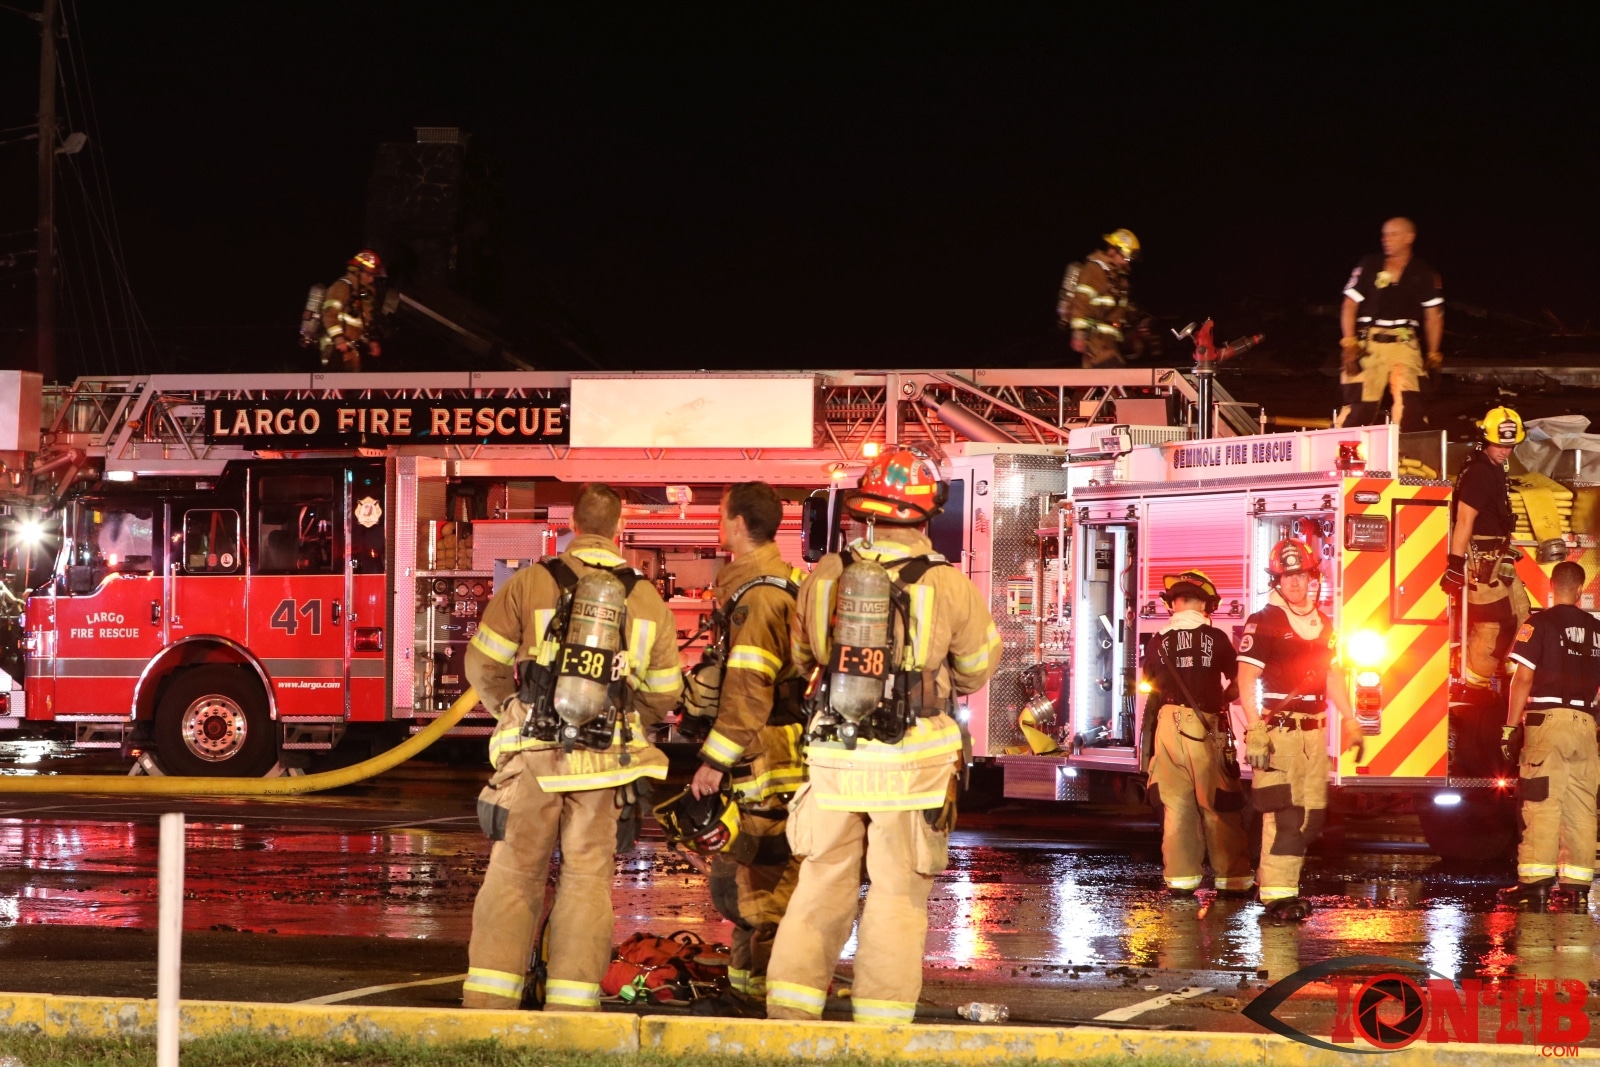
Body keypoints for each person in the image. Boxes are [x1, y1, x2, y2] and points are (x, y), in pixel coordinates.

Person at [765, 449, 1000, 1024]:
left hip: (834, 752)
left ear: (865, 510)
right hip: (912, 763)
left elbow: (802, 657)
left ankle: (790, 1016)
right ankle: (881, 1023)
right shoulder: (947, 583)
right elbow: (976, 669)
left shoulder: (825, 575)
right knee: (897, 891)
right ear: (928, 513)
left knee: (820, 883)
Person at [460, 483, 684, 1011]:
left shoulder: (531, 581)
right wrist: (628, 720)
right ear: (619, 528)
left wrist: (513, 708)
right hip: (606, 766)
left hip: (534, 756)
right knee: (586, 881)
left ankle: (488, 1004)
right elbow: (664, 690)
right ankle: (572, 1006)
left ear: (572, 524)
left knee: (514, 875)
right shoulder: (646, 598)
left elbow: (482, 662)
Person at [682, 482, 808, 1009]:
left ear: (737, 524)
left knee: (764, 875)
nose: (718, 525)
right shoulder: (776, 584)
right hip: (771, 747)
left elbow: (749, 689)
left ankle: (763, 1000)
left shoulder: (758, 597)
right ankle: (745, 991)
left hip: (766, 753)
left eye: (720, 516)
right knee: (750, 873)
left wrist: (715, 758)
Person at [1237, 539, 1361, 922]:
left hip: (1313, 734)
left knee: (1312, 818)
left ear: (1312, 578)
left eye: (1300, 575)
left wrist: (1351, 719)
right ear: (1276, 580)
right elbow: (1246, 678)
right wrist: (1255, 727)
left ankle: (1272, 880)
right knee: (1284, 815)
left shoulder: (1323, 624)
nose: (1294, 582)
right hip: (1280, 734)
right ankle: (1279, 896)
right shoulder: (1264, 621)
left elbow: (1332, 675)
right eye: (1286, 576)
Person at [1140, 570, 1253, 899]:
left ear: (1173, 604)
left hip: (1167, 726)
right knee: (1218, 802)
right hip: (1204, 726)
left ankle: (1181, 880)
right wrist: (1226, 697)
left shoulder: (1157, 640)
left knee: (1176, 806)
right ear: (1205, 605)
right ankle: (1232, 880)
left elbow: (1150, 683)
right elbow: (1238, 679)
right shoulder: (1216, 638)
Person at [1499, 560, 1600, 912]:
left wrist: (1510, 727)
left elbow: (1523, 678)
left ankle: (1535, 884)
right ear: (1581, 590)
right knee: (1582, 805)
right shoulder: (1596, 630)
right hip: (1586, 726)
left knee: (1542, 801)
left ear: (1552, 588)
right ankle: (1577, 886)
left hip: (1549, 723)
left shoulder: (1538, 623)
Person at [1443, 407, 1530, 690]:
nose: (1505, 451)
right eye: (1499, 445)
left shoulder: (1492, 465)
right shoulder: (1480, 472)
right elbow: (1464, 520)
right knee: (1493, 626)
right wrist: (1455, 564)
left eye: (1510, 446)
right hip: (1481, 562)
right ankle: (1473, 686)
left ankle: (1512, 677)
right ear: (1485, 439)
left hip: (1495, 557)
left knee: (1521, 614)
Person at [1339, 218, 1444, 431]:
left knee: (1411, 405)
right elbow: (1349, 305)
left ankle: (1407, 449)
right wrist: (1349, 343)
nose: (1385, 239)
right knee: (1361, 407)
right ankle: (1342, 448)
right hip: (1369, 345)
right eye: (1384, 235)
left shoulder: (1423, 271)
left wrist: (1433, 354)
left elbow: (1433, 316)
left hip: (1405, 344)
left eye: (1392, 234)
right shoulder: (1370, 264)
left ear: (1409, 237)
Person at [1059, 229, 1139, 369]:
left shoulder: (1118, 277)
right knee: (1112, 373)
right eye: (1126, 257)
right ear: (1113, 250)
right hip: (1094, 340)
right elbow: (1081, 302)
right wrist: (1079, 333)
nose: (1127, 262)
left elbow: (1117, 308)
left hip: (1109, 341)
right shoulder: (1095, 270)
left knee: (1107, 377)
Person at [321, 249, 385, 372]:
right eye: (369, 275)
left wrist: (371, 342)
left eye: (373, 276)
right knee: (335, 380)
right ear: (357, 271)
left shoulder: (362, 294)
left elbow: (360, 324)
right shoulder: (342, 287)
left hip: (349, 347)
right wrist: (339, 340)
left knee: (352, 381)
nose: (371, 280)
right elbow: (329, 315)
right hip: (333, 346)